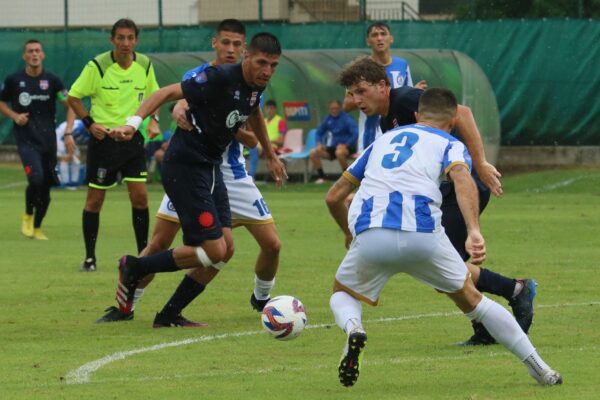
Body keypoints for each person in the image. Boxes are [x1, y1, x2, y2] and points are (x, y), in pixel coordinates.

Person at [326, 87, 562, 388]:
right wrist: (474, 230)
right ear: (452, 121)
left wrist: (349, 234)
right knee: (476, 303)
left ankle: (354, 328)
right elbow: (463, 179)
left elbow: (334, 197)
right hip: (423, 237)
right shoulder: (450, 143)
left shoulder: (380, 141)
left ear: (415, 115)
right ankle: (540, 369)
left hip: (372, 235)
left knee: (342, 292)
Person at [96, 21, 285, 327]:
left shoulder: (255, 84)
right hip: (186, 166)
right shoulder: (217, 76)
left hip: (212, 169)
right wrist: (133, 124)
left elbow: (252, 110)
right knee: (206, 249)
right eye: (261, 63)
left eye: (273, 65)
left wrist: (267, 150)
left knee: (224, 250)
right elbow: (167, 93)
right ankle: (133, 269)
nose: (266, 70)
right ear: (247, 57)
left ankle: (169, 314)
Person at [339, 56, 536, 347]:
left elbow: (463, 113)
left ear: (383, 86)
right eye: (351, 94)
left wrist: (480, 163)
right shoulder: (385, 119)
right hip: (440, 192)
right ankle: (507, 298)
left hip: (461, 186)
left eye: (361, 91)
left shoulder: (404, 98)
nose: (356, 100)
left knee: (442, 267)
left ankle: (514, 291)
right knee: (440, 270)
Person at [67, 18, 161, 272]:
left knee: (140, 198)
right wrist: (89, 124)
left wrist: (154, 120)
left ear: (136, 40)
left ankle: (144, 256)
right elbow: (73, 96)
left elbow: (155, 96)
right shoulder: (97, 66)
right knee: (94, 201)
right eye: (120, 38)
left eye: (130, 38)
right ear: (112, 40)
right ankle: (90, 258)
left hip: (133, 140)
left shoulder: (144, 64)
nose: (125, 43)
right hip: (103, 142)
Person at [0, 39, 75, 240]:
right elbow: (1, 101)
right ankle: (28, 214)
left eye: (37, 51)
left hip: (48, 141)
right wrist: (15, 116)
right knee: (36, 178)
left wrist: (68, 132)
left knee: (46, 187)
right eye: (30, 51)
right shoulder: (14, 80)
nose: (34, 54)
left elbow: (71, 106)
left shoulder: (52, 81)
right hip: (26, 140)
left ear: (43, 55)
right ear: (24, 56)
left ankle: (38, 227)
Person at [343, 21, 427, 154]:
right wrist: (370, 93)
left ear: (391, 38)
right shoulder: (361, 68)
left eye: (383, 34)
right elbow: (347, 106)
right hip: (371, 134)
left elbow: (407, 95)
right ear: (368, 41)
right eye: (374, 35)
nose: (379, 38)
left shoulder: (402, 64)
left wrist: (415, 90)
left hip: (398, 132)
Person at [309, 99, 358, 183]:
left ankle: (346, 178)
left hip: (347, 147)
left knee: (339, 152)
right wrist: (319, 143)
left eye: (336, 108)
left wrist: (346, 145)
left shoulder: (346, 119)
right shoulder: (328, 119)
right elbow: (319, 132)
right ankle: (322, 177)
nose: (334, 110)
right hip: (332, 148)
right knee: (313, 152)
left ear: (340, 108)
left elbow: (355, 133)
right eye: (332, 108)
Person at [248, 99, 288, 178]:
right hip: (261, 147)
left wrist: (267, 141)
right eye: (267, 108)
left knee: (253, 149)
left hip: (273, 148)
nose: (269, 110)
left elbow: (281, 141)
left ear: (275, 109)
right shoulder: (263, 121)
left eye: (271, 108)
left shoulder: (280, 121)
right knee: (249, 146)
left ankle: (251, 177)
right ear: (265, 109)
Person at [56, 119, 86, 188]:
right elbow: (69, 139)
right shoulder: (80, 128)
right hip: (60, 137)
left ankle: (74, 183)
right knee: (65, 159)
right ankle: (65, 183)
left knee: (75, 158)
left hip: (69, 137)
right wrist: (70, 154)